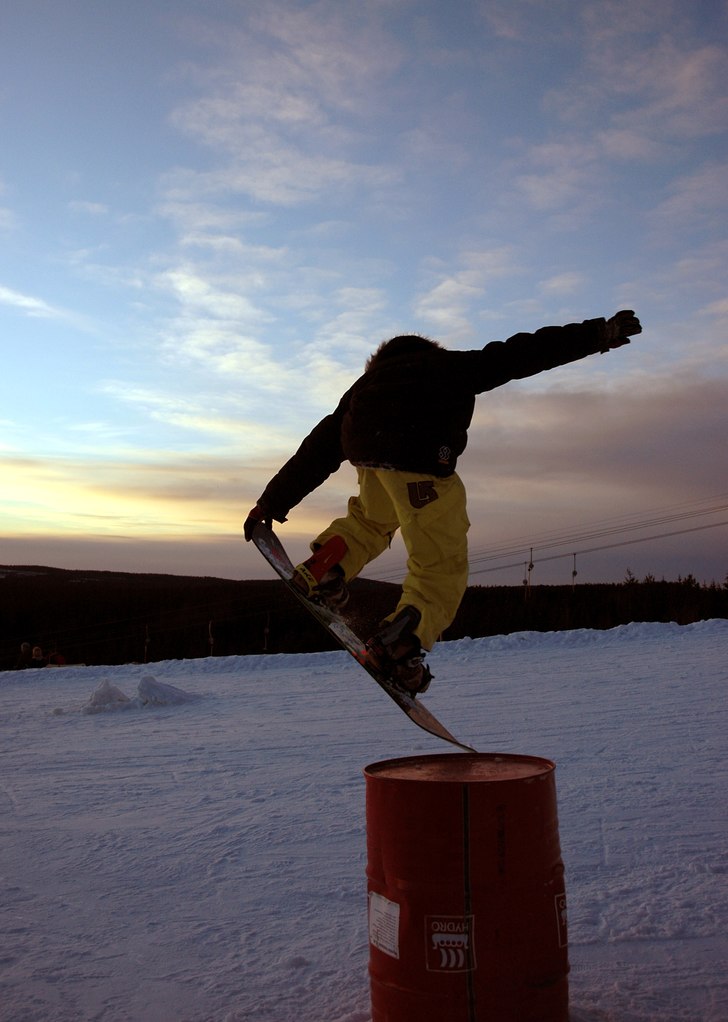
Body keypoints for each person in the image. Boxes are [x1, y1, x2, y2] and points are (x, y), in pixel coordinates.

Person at [244, 310, 642, 694]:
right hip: (422, 463)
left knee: (369, 520)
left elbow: (320, 446)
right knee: (439, 563)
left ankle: (321, 570)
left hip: (368, 458)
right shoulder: (448, 366)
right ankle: (400, 645)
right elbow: (522, 353)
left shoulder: (365, 386)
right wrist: (597, 334)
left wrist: (271, 502)